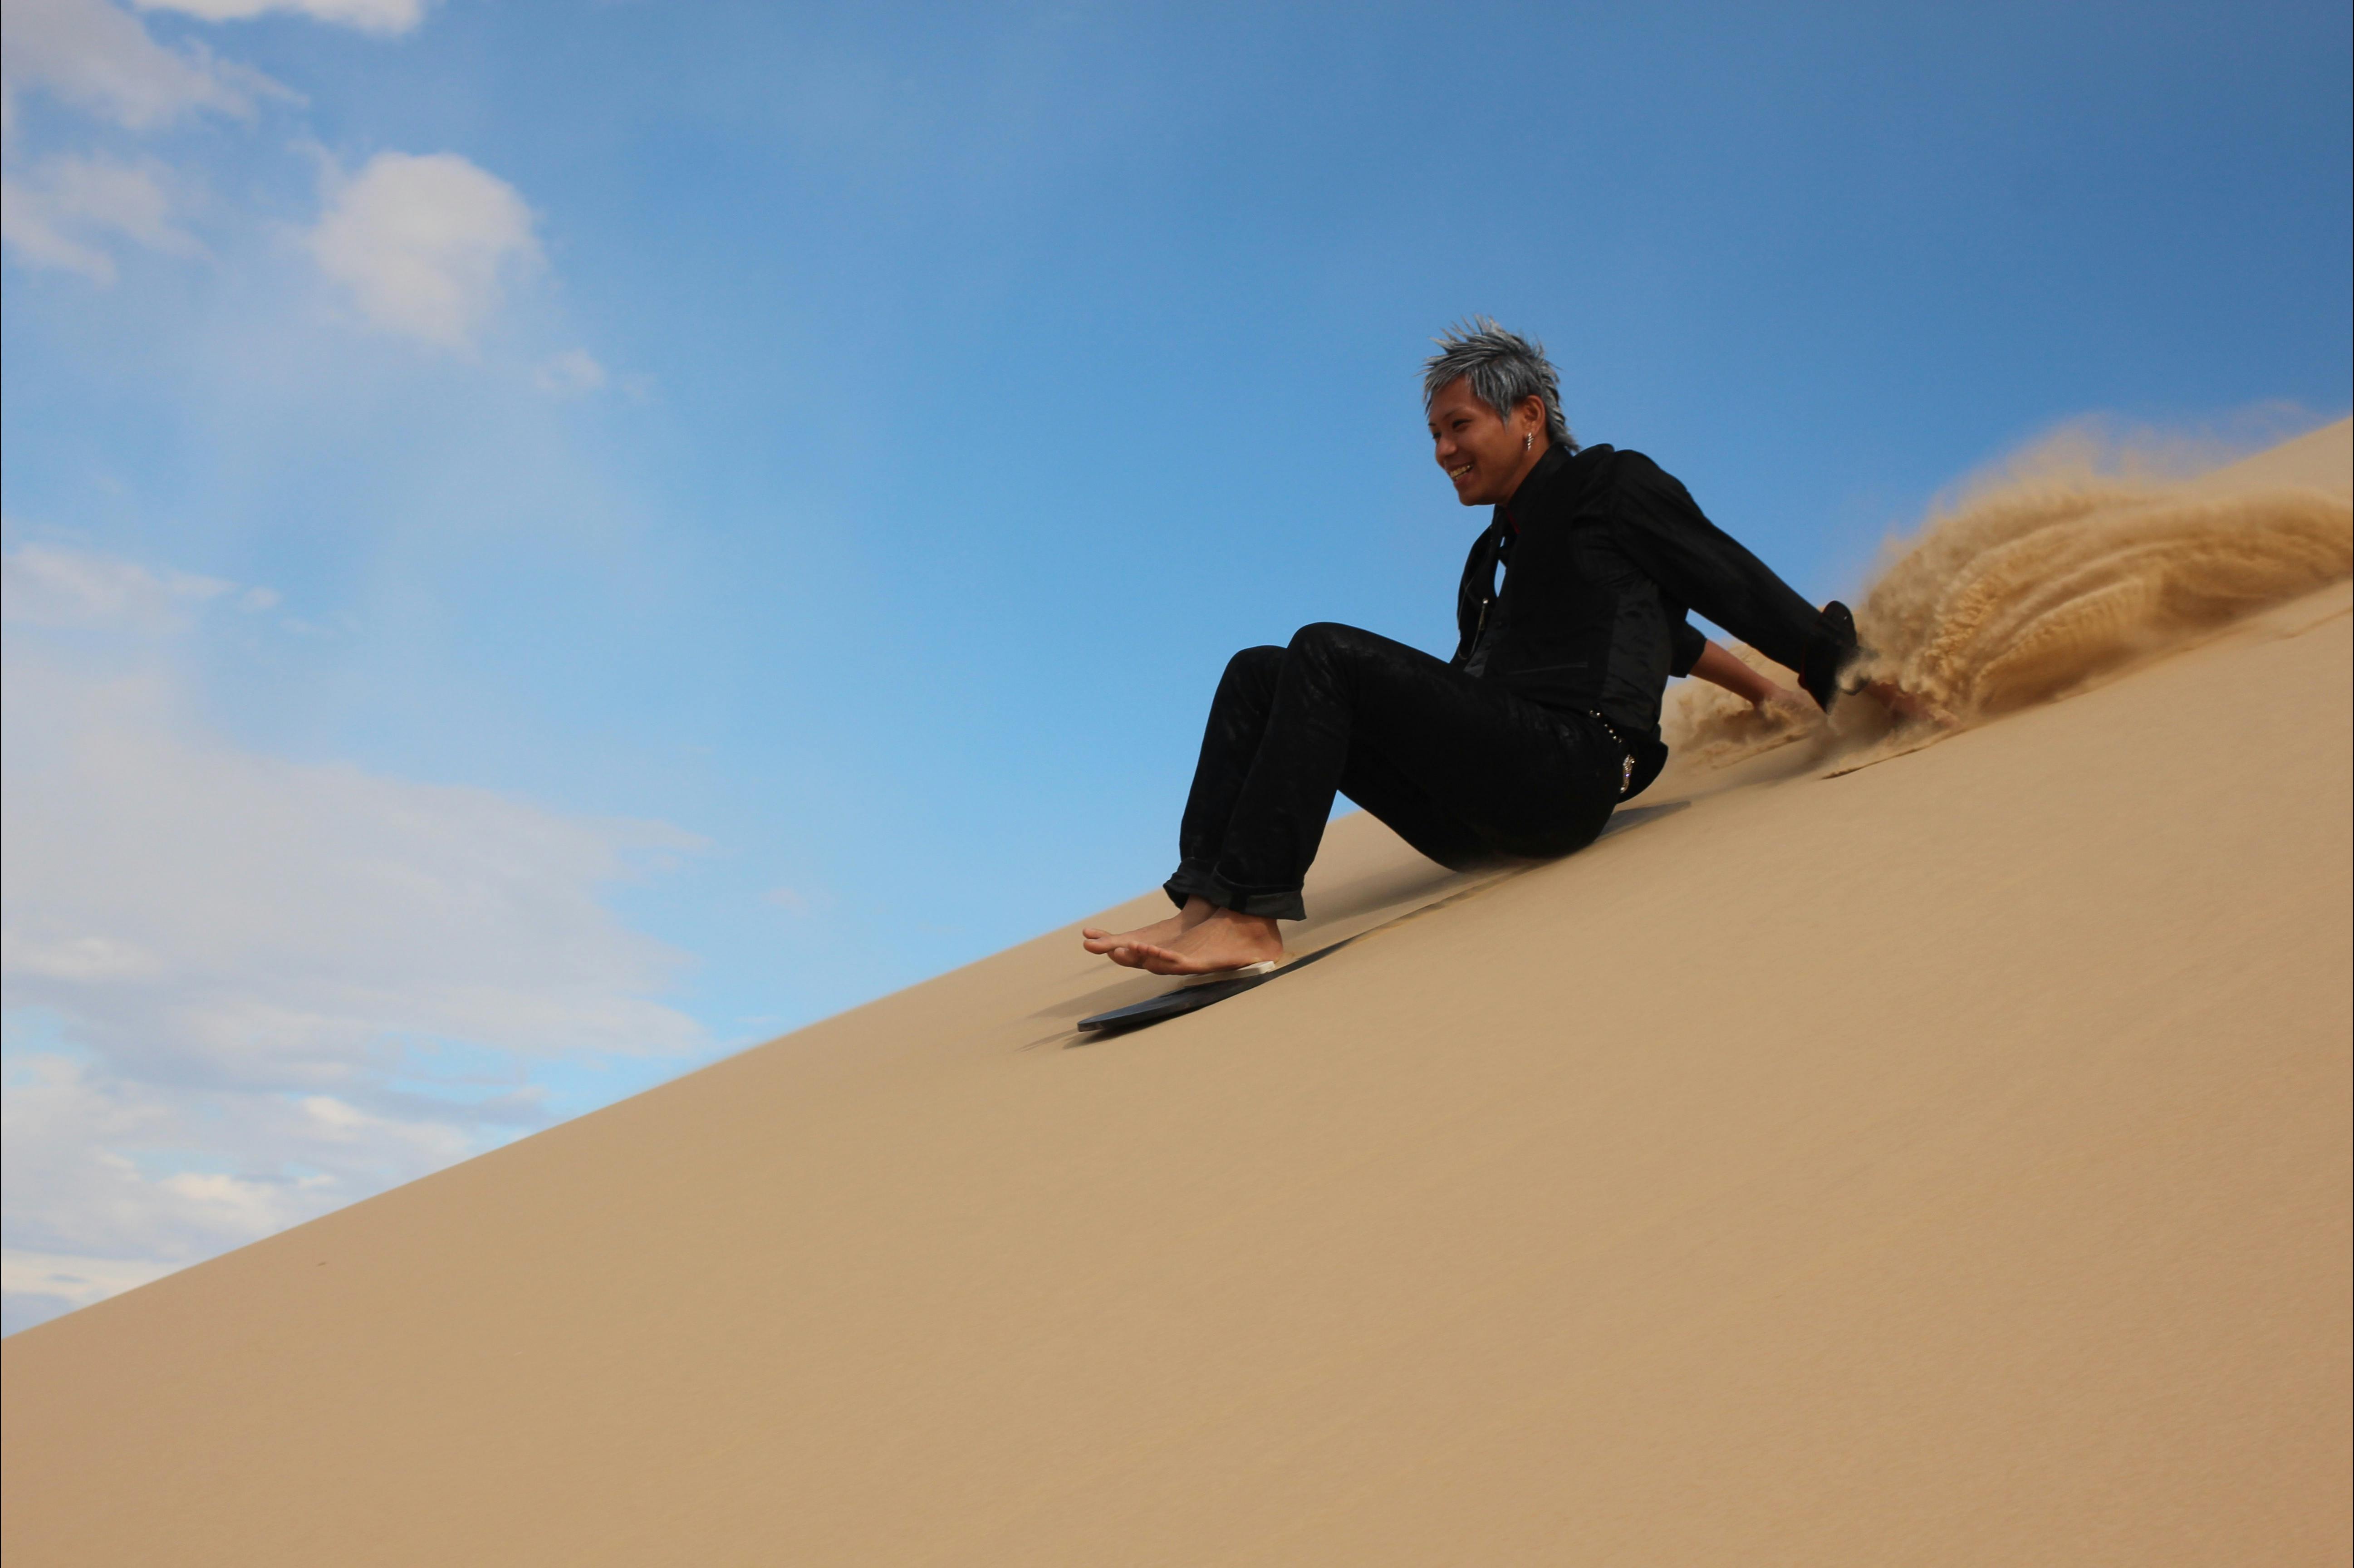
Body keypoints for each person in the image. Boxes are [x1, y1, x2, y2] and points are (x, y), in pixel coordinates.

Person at [1084, 319, 1872, 976]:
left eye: (1458, 427)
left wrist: (1842, 678)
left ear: (1528, 415)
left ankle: (1253, 924)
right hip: (1476, 813)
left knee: (1324, 650)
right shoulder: (1494, 554)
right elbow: (1664, 638)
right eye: (1435, 434)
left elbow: (1729, 583)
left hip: (1568, 774)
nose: (1442, 451)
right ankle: (1207, 906)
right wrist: (1765, 695)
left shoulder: (1613, 487)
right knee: (1260, 671)